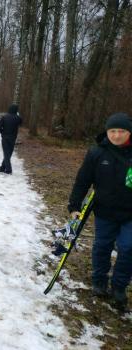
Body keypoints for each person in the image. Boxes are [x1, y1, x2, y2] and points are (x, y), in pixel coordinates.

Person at [68, 112, 132, 312]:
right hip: (105, 211)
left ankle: (119, 286)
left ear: (129, 132)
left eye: (121, 131)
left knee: (128, 247)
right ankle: (99, 281)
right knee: (102, 245)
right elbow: (82, 180)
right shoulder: (97, 153)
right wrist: (74, 206)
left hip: (130, 214)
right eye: (112, 131)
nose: (116, 135)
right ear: (107, 132)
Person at [0, 104, 22, 174]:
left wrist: (2, 132)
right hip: (13, 138)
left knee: (6, 153)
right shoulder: (17, 118)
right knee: (9, 153)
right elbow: (21, 123)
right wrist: (18, 115)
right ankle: (3, 168)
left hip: (5, 137)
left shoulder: (4, 117)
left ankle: (6, 169)